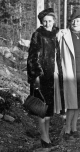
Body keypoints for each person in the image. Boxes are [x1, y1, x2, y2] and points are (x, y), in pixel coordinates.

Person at [27, 8, 65, 148]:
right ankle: (44, 138)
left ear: (54, 21)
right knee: (41, 109)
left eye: (50, 21)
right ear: (41, 22)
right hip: (41, 76)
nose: (48, 23)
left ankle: (47, 136)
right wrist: (36, 74)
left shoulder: (56, 34)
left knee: (49, 109)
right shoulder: (38, 34)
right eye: (45, 21)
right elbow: (32, 57)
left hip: (53, 75)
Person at [57, 9, 80, 141]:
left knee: (79, 103)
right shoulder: (64, 34)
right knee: (71, 103)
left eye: (78, 20)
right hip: (70, 71)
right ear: (70, 22)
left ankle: (74, 128)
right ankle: (67, 129)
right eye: (73, 20)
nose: (75, 22)